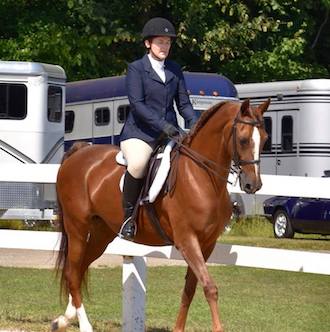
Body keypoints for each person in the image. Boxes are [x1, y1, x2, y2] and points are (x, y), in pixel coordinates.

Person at [119, 17, 198, 240]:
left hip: (170, 133)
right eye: (160, 42)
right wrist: (165, 127)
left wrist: (195, 123)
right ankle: (128, 220)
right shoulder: (136, 69)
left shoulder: (174, 70)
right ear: (148, 44)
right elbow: (138, 105)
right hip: (140, 134)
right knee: (138, 164)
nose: (164, 47)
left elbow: (183, 103)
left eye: (167, 43)